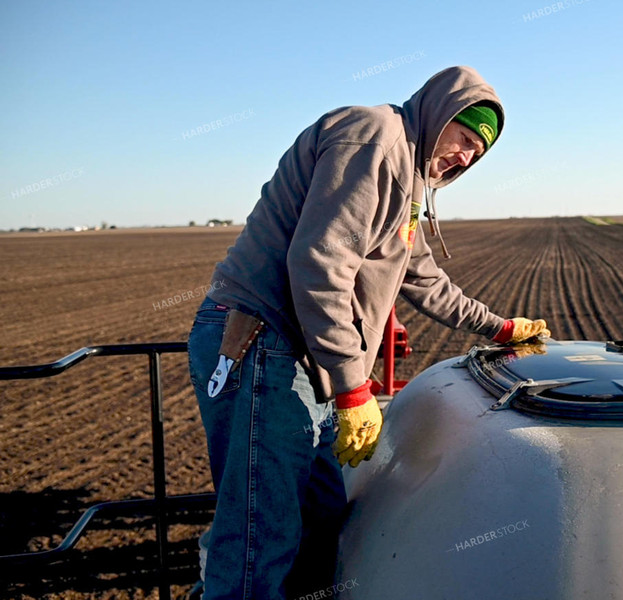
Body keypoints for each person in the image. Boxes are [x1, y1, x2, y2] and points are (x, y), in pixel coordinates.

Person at [186, 65, 550, 600]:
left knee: (322, 514)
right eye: (465, 138)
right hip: (265, 344)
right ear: (440, 114)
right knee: (258, 539)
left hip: (303, 358)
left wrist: (499, 328)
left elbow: (423, 279)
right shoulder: (376, 139)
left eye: (479, 152)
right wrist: (354, 387)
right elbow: (318, 264)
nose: (467, 157)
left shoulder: (411, 182)